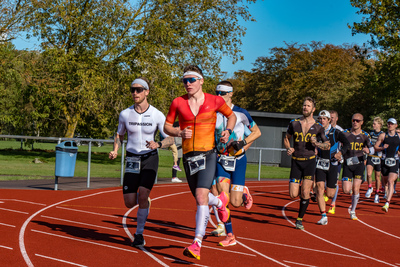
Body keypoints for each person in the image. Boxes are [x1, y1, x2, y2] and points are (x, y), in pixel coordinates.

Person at [164, 65, 237, 260]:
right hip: (189, 157)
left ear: (201, 81)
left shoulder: (215, 101)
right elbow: (167, 126)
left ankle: (197, 242)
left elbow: (232, 116)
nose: (188, 84)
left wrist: (228, 131)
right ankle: (220, 202)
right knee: (201, 197)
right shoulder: (178, 102)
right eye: (185, 80)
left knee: (200, 196)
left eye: (192, 80)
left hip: (208, 153)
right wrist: (179, 132)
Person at [108, 77, 173, 248]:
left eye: (138, 89)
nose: (135, 93)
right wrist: (115, 149)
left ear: (147, 92)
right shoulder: (125, 114)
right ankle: (145, 202)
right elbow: (119, 135)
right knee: (129, 202)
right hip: (132, 158)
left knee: (143, 194)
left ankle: (139, 234)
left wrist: (158, 144)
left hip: (150, 157)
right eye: (132, 90)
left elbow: (170, 139)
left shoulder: (157, 114)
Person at [211, 80, 262, 246]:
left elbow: (257, 132)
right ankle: (230, 234)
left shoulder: (241, 113)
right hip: (221, 160)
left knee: (236, 202)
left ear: (231, 94)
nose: (219, 96)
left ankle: (244, 194)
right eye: (217, 93)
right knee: (223, 199)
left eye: (223, 93)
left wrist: (243, 145)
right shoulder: (212, 113)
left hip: (238, 160)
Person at [283, 97, 330, 230]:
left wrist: (317, 143)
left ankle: (299, 219)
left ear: (313, 109)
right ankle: (304, 199)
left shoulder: (318, 127)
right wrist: (288, 148)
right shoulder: (294, 123)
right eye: (304, 105)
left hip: (309, 162)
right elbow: (286, 138)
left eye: (308, 106)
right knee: (293, 194)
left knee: (305, 192)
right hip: (296, 161)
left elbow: (327, 144)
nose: (305, 108)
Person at [315, 110, 350, 225]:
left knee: (330, 194)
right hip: (320, 162)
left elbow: (347, 144)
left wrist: (341, 153)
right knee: (319, 188)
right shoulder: (315, 131)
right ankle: (323, 215)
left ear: (329, 120)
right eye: (320, 118)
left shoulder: (336, 132)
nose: (322, 121)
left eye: (324, 119)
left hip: (333, 163)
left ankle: (328, 197)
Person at [341, 113, 374, 220]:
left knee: (356, 189)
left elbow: (372, 149)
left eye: (358, 121)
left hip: (359, 163)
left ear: (362, 122)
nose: (355, 122)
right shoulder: (345, 133)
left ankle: (353, 211)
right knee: (346, 190)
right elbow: (336, 144)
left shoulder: (365, 135)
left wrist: (368, 150)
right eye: (353, 120)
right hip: (347, 163)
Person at [374, 118, 400, 212]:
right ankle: (386, 192)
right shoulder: (383, 136)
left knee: (390, 181)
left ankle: (387, 203)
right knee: (385, 181)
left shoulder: (399, 136)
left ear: (396, 125)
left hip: (395, 161)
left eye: (392, 124)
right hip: (385, 161)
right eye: (388, 123)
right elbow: (375, 147)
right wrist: (382, 148)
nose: (390, 125)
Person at [327, 110, 344, 214]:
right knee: (323, 180)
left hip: (336, 160)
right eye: (330, 117)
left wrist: (341, 154)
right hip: (324, 159)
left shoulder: (339, 130)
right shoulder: (324, 129)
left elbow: (346, 144)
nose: (331, 119)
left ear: (336, 118)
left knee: (334, 182)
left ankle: (333, 203)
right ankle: (326, 192)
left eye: (333, 117)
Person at [365, 117, 384, 202]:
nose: (373, 125)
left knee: (377, 177)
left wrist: (379, 148)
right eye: (373, 123)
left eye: (374, 124)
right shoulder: (371, 134)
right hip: (371, 156)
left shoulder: (383, 134)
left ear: (379, 125)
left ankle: (377, 194)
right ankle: (370, 187)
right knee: (369, 174)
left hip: (379, 157)